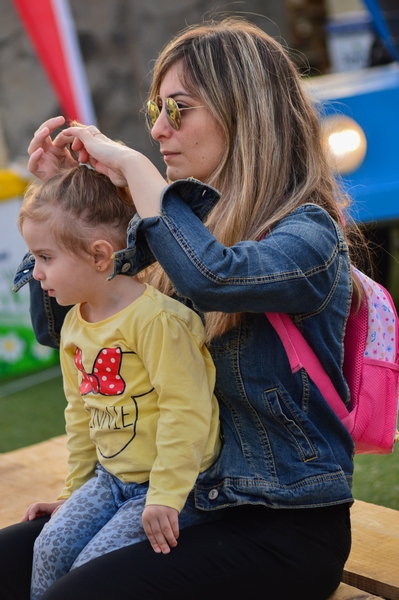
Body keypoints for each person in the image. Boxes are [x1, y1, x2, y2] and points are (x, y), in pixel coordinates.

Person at [1, 16, 361, 600]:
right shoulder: (173, 234)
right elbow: (63, 326)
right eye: (155, 113)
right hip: (174, 499)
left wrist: (136, 169)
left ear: (243, 112)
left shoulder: (309, 235)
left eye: (179, 109)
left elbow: (214, 277)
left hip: (279, 526)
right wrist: (68, 220)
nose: (160, 130)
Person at [17, 165, 221, 600]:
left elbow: (187, 411)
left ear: (99, 255)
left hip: (174, 486)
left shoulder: (158, 321)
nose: (35, 273)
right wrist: (72, 495)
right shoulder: (74, 324)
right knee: (49, 544)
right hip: (112, 480)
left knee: (93, 568)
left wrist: (166, 495)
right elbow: (80, 415)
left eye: (45, 258)